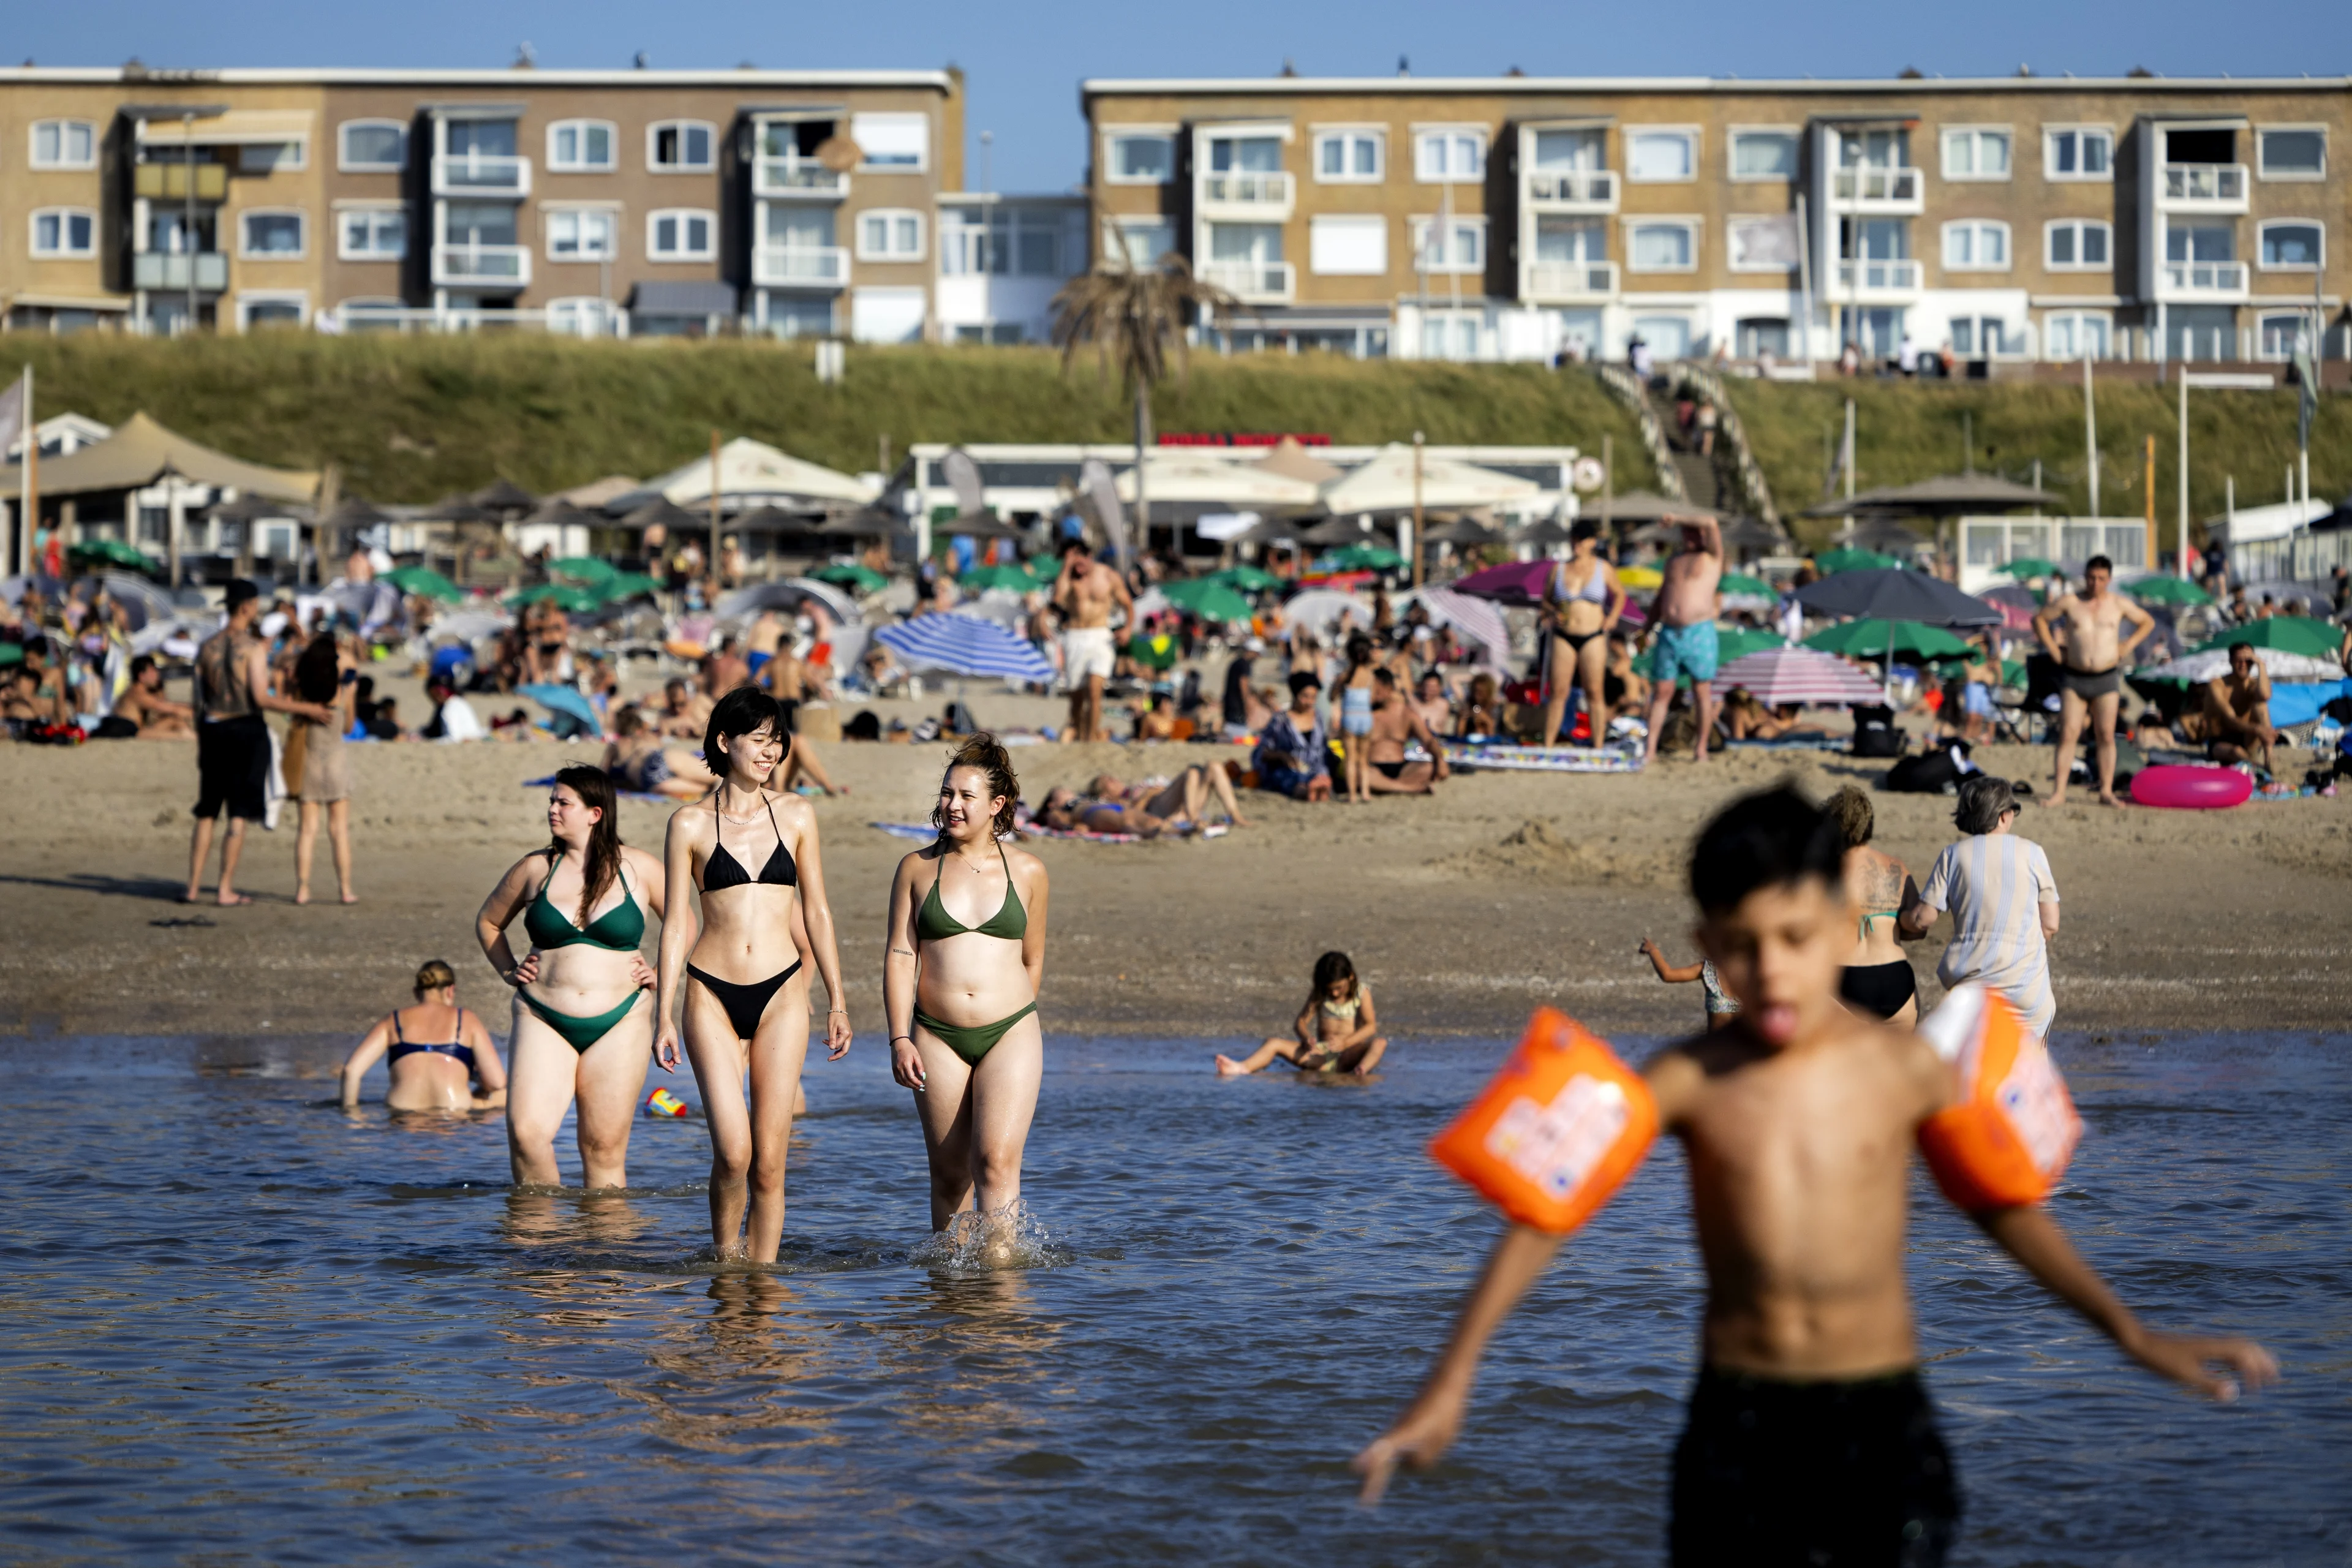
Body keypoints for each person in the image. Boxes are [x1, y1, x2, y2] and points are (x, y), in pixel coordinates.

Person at [1355, 786, 2275, 1559]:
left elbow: (2005, 1210)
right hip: (1737, 1425)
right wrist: (1450, 1382)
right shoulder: (1689, 1078)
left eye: (1796, 940)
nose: (1770, 972)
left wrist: (2130, 1331)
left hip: (1883, 1422)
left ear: (1838, 921)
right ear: (1707, 946)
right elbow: (1547, 1213)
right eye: (1740, 949)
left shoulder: (1901, 1069)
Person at [655, 688, 853, 1263]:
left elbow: (816, 909)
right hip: (710, 992)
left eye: (777, 739)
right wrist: (662, 1013)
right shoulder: (688, 823)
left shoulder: (796, 813)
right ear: (725, 742)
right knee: (734, 1153)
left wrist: (837, 998)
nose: (771, 751)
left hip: (783, 992)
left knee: (770, 1160)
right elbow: (673, 925)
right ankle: (724, 1264)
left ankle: (761, 1285)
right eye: (759, 739)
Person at [883, 736, 1052, 1237]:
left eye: (966, 796)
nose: (951, 805)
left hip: (1011, 1031)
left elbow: (1033, 958)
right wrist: (900, 1037)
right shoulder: (917, 868)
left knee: (997, 1163)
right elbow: (899, 955)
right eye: (946, 793)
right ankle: (951, 1297)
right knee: (951, 1175)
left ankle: (999, 1292)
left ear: (997, 806)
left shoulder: (1029, 871)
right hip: (936, 1035)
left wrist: (1006, 1011)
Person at [475, 765, 668, 1189]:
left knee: (602, 1148)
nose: (552, 809)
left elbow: (684, 923)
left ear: (595, 813)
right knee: (527, 1135)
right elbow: (489, 923)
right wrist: (509, 970)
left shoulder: (639, 867)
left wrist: (659, 972)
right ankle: (539, 1250)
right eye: (552, 801)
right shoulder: (534, 869)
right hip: (542, 1015)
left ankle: (604, 1253)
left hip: (622, 1019)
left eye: (564, 802)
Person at [186, 579, 337, 907]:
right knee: (238, 814)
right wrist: (307, 708)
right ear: (246, 607)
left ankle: (194, 887)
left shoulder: (207, 647)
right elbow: (260, 699)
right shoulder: (251, 649)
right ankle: (225, 888)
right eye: (254, 605)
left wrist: (202, 737)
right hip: (244, 728)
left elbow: (197, 700)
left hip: (212, 728)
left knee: (207, 811)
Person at [1899, 776, 2060, 1036]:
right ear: (2004, 816)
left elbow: (1923, 919)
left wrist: (1897, 919)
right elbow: (2051, 924)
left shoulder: (1953, 854)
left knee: (1973, 1068)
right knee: (2027, 1069)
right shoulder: (2033, 852)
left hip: (1972, 989)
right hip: (2026, 987)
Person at [2033, 554, 2156, 808]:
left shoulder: (2118, 604)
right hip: (2075, 677)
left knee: (2106, 735)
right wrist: (2055, 651)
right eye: (2091, 577)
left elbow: (2147, 622)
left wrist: (2128, 644)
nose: (2095, 583)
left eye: (2101, 578)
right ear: (2085, 577)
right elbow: (2040, 620)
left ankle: (2107, 791)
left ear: (2109, 579)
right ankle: (2059, 792)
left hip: (2106, 677)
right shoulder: (2071, 602)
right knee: (2068, 733)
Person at [339, 959, 507, 1114]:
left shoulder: (394, 1020)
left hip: (402, 1113)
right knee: (505, 1095)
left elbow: (351, 1070)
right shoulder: (466, 1019)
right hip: (453, 1112)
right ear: (451, 990)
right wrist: (473, 1075)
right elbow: (497, 1083)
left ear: (416, 992)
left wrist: (351, 1114)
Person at [1826, 784, 1921, 1025]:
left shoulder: (1824, 871)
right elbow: (1919, 928)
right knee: (1896, 1063)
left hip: (1844, 977)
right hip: (1895, 977)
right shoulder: (1898, 868)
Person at [1215, 951, 1387, 1076]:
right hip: (1319, 1055)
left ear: (1351, 977)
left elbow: (1370, 1026)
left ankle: (1361, 1072)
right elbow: (1300, 1023)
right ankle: (1242, 1068)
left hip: (1348, 1055)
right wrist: (1306, 1038)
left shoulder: (1361, 993)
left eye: (1339, 988)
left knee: (1379, 1043)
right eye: (1330, 989)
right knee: (1273, 1042)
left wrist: (1345, 1042)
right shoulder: (1320, 994)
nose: (1334, 993)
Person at [1642, 515, 1725, 766]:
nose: (1693, 537)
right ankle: (1651, 749)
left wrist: (1677, 519)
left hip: (1699, 631)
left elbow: (1711, 521)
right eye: (1688, 532)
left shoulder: (1712, 558)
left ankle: (1701, 749)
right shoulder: (1674, 561)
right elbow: (1661, 598)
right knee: (1662, 691)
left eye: (1696, 532)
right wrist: (1646, 629)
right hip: (1669, 631)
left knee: (1701, 690)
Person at [1538, 521, 1628, 749]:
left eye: (1581, 540)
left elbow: (1619, 594)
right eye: (1574, 539)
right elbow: (1545, 601)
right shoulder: (1559, 569)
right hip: (1564, 634)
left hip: (1593, 634)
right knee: (1558, 691)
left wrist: (1613, 617)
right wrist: (1552, 612)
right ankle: (1548, 744)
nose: (1576, 544)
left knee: (1595, 692)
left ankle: (1597, 745)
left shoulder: (1603, 568)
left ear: (1591, 542)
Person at [288, 631, 358, 907]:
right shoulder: (343, 692)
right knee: (339, 831)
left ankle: (303, 889)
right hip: (337, 761)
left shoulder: (302, 692)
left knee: (307, 830)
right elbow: (350, 727)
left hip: (310, 761)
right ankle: (345, 889)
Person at [1052, 540, 1133, 744]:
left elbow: (1128, 605)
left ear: (1089, 556)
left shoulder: (1107, 575)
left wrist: (1127, 627)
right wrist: (1066, 567)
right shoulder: (1069, 578)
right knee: (1077, 698)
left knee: (1095, 690)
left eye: (1079, 562)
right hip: (1075, 635)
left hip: (1100, 635)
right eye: (1072, 562)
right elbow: (1057, 598)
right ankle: (1080, 733)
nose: (1077, 568)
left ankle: (1090, 739)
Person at [1362, 666, 1450, 794]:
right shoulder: (1366, 713)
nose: (1371, 694)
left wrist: (1440, 760)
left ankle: (1387, 787)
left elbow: (1428, 740)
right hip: (1373, 767)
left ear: (1389, 688)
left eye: (1376, 690)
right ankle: (1410, 789)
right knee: (1360, 773)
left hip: (1400, 767)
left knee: (1428, 767)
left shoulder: (1405, 713)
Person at [1251, 671, 1332, 801]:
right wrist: (1283, 756)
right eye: (1305, 696)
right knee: (1292, 780)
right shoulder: (1280, 720)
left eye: (1313, 697)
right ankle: (1308, 791)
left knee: (1322, 776)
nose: (1309, 702)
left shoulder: (1319, 717)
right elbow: (1263, 752)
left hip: (1316, 769)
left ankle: (1318, 788)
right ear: (1295, 694)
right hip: (1289, 770)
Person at [2197, 643, 2277, 770]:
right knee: (2236, 751)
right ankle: (2258, 769)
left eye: (2248, 661)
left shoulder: (2252, 684)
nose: (2243, 665)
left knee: (2261, 705)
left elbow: (2265, 695)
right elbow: (2231, 720)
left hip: (2246, 738)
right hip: (2220, 741)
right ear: (2231, 662)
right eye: (2239, 660)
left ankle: (2269, 759)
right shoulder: (2218, 684)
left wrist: (2261, 665)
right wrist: (2257, 729)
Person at [1637, 937, 1741, 1030]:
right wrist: (1654, 951)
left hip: (1735, 1047)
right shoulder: (1710, 970)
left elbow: (1667, 975)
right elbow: (1668, 975)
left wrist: (1653, 950)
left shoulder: (1750, 972)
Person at [1333, 633, 1378, 804]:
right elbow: (1372, 699)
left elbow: (1333, 696)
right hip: (1366, 717)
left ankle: (1352, 795)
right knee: (1364, 760)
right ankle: (1365, 793)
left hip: (1350, 717)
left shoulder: (1345, 675)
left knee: (1350, 759)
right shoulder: (1370, 675)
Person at [110, 655, 194, 738]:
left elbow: (163, 712)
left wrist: (160, 690)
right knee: (180, 732)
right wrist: (196, 714)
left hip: (136, 731)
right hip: (130, 733)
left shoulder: (138, 691)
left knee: (174, 721)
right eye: (153, 671)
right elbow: (173, 709)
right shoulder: (137, 694)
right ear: (142, 676)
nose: (157, 675)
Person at [422, 675, 485, 742]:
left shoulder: (448, 709)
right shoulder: (460, 701)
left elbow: (453, 737)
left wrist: (434, 741)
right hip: (475, 736)